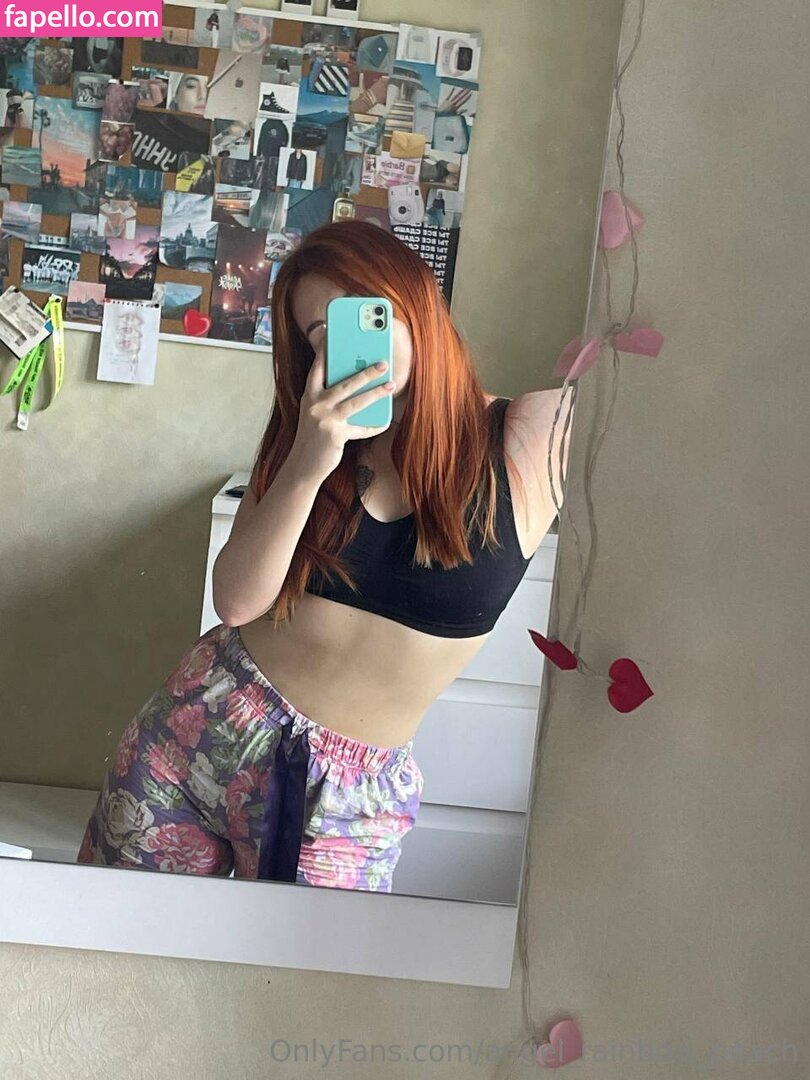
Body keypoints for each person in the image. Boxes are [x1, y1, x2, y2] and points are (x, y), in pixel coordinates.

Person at [77, 220, 570, 891]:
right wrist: (310, 462)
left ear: (416, 298)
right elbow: (236, 602)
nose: (351, 346)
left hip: (346, 799)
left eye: (365, 312)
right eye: (322, 336)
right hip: (196, 730)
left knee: (301, 962)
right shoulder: (306, 437)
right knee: (114, 928)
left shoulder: (529, 436)